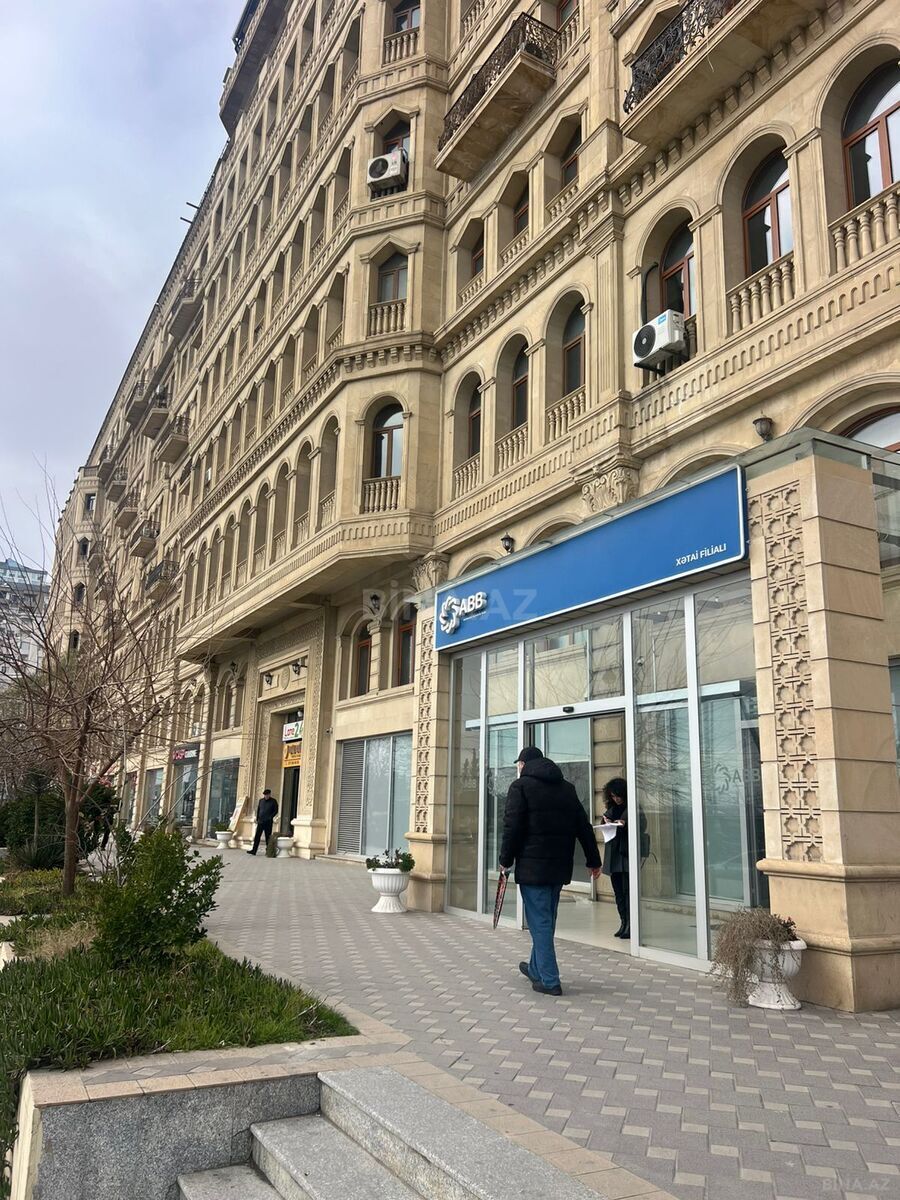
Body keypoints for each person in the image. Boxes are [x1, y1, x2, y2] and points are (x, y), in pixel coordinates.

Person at [499, 746, 601, 997]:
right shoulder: (567, 788)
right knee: (545, 920)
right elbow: (583, 826)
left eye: (518, 764)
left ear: (523, 764)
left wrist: (505, 860)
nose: (518, 768)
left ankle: (549, 979)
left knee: (540, 922)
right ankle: (536, 968)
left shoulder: (520, 787)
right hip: (558, 868)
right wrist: (593, 860)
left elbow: (512, 827)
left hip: (533, 869)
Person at [601, 777, 645, 939]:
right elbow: (605, 828)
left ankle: (631, 925)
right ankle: (623, 922)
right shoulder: (611, 809)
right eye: (613, 796)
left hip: (626, 854)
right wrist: (606, 822)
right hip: (614, 856)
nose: (616, 799)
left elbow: (642, 826)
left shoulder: (633, 808)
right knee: (618, 892)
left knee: (628, 892)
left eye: (618, 795)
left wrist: (625, 825)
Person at [247, 788, 279, 855]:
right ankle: (254, 850)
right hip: (260, 821)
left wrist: (270, 817)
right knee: (257, 836)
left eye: (267, 795)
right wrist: (257, 818)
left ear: (269, 794)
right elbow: (258, 810)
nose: (266, 796)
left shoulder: (273, 801)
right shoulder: (261, 801)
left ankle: (268, 851)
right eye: (265, 795)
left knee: (268, 837)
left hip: (268, 822)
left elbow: (276, 810)